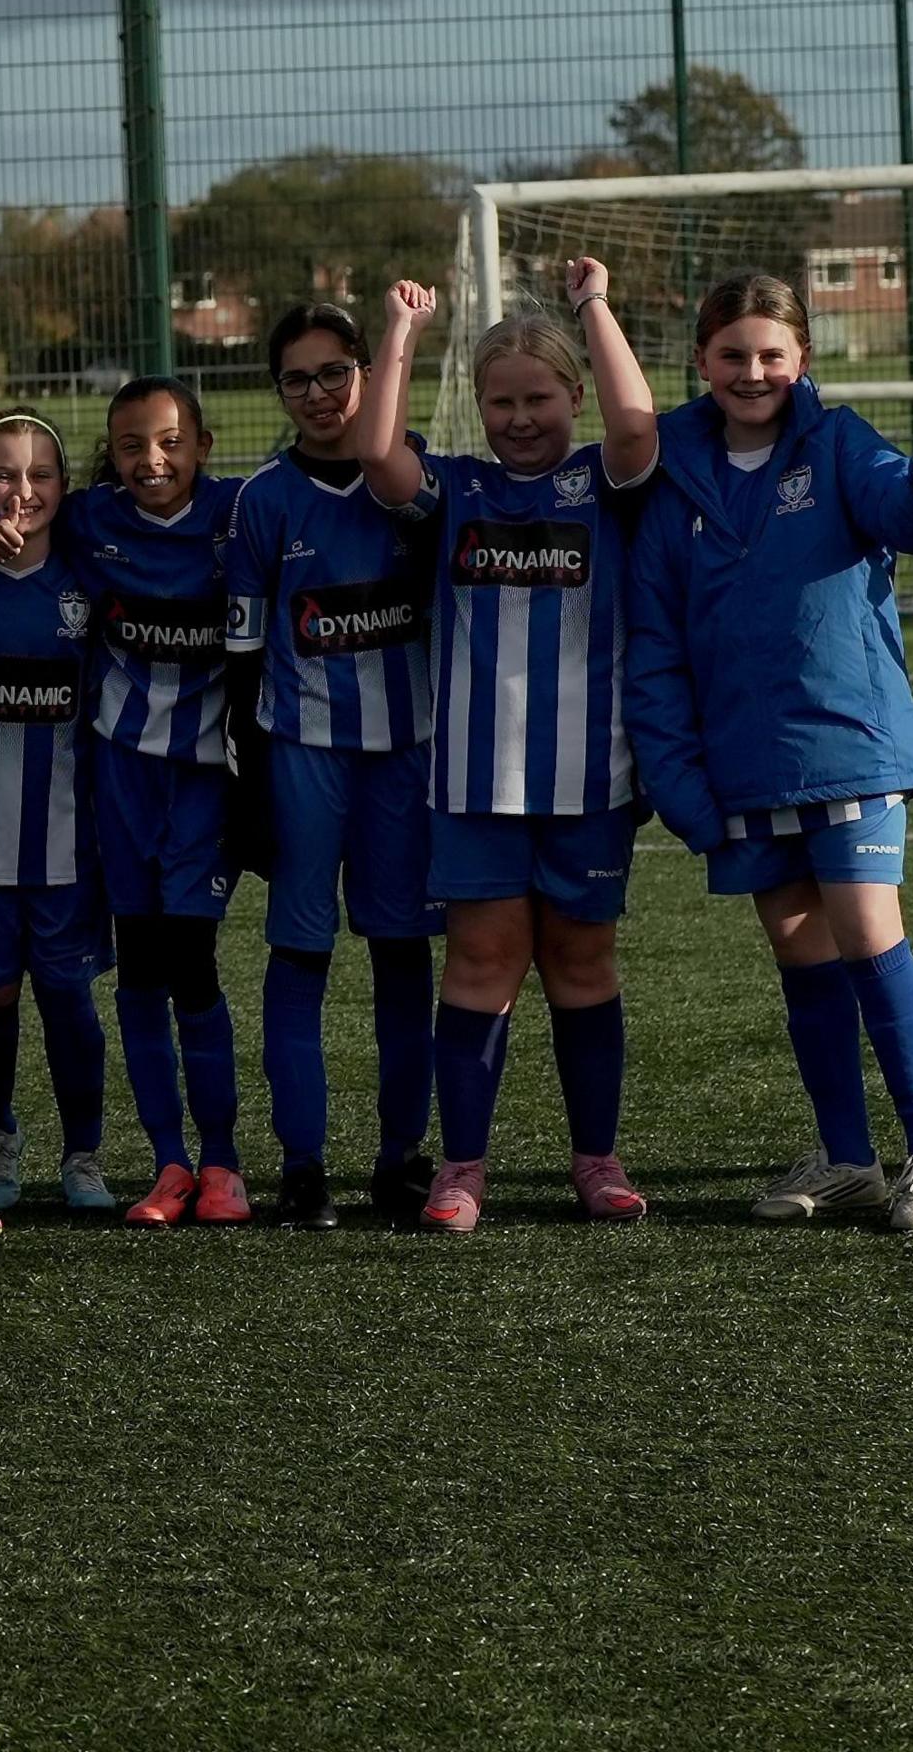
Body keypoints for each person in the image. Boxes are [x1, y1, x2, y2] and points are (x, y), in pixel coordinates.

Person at [625, 275, 913, 1232]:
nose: (753, 372)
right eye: (733, 355)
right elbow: (653, 650)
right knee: (801, 956)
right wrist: (683, 787)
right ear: (700, 362)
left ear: (803, 361)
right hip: (744, 766)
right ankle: (848, 1157)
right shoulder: (674, 476)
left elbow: (901, 505)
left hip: (851, 746)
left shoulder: (837, 443)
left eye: (772, 355)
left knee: (870, 936)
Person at [360, 262, 661, 1234]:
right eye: (502, 402)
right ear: (477, 405)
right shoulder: (459, 486)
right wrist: (401, 336)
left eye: (539, 398)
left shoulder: (603, 484)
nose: (521, 418)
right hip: (476, 782)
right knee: (481, 965)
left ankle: (597, 1160)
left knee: (583, 962)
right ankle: (463, 1168)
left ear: (572, 393)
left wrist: (593, 306)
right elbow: (379, 461)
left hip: (590, 778)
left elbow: (636, 428)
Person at [0, 377, 248, 1226]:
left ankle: (224, 1162)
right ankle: (168, 1164)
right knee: (139, 969)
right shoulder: (94, 519)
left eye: (169, 441)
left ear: (202, 446)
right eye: (131, 445)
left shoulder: (241, 515)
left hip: (208, 780)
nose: (151, 459)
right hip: (120, 778)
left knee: (194, 965)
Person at [224, 299, 445, 1228]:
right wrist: (251, 782)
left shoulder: (417, 474)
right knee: (300, 953)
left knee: (401, 954)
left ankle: (401, 1158)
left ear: (365, 370)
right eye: (295, 379)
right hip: (305, 759)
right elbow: (241, 652)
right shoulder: (263, 500)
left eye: (333, 373)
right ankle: (303, 1164)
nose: (316, 394)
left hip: (407, 757)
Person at [0, 413, 115, 1213]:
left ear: (64, 490)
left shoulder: (87, 578)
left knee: (69, 995)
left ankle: (84, 1154)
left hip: (70, 840)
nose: (21, 490)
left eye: (40, 475)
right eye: (1, 475)